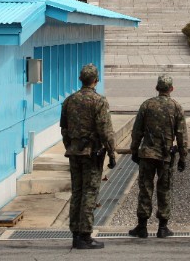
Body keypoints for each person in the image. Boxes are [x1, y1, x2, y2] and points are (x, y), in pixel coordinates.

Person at [61, 63, 116, 249]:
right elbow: (105, 130)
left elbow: (64, 128)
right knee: (90, 192)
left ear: (80, 79)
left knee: (77, 191)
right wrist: (111, 152)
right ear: (96, 80)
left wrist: (70, 146)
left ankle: (75, 233)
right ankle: (85, 235)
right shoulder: (99, 101)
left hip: (74, 153)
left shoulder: (69, 100)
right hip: (92, 154)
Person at [127, 74, 189, 239]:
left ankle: (142, 226)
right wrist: (183, 156)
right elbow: (182, 134)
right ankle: (162, 227)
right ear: (171, 89)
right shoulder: (176, 107)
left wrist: (134, 150)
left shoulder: (147, 105)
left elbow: (137, 131)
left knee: (145, 189)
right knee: (164, 189)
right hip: (166, 156)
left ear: (157, 88)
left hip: (147, 154)